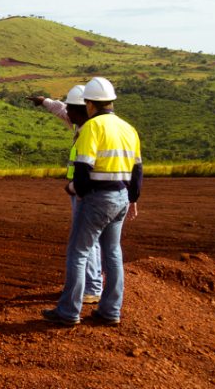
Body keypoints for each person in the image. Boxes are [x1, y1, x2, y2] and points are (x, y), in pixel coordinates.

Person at [42, 77, 143, 326]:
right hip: (121, 198)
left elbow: (83, 168)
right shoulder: (128, 128)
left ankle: (68, 312)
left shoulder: (91, 127)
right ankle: (110, 311)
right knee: (113, 253)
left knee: (78, 253)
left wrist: (73, 188)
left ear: (89, 103)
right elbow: (138, 170)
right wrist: (133, 199)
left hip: (97, 198)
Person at [26, 86, 103, 304]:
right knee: (95, 242)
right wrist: (44, 101)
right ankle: (93, 286)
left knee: (84, 242)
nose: (66, 112)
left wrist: (74, 188)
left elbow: (87, 166)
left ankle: (90, 290)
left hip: (84, 191)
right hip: (89, 191)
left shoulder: (90, 130)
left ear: (83, 108)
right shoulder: (83, 122)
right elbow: (61, 109)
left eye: (70, 108)